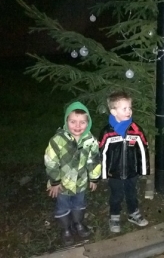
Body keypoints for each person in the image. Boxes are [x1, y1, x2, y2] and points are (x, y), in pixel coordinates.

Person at [44, 101, 101, 246]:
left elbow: (94, 160)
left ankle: (78, 223)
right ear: (66, 121)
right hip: (61, 185)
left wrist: (94, 178)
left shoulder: (90, 141)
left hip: (80, 183)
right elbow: (50, 161)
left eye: (82, 122)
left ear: (88, 123)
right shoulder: (57, 140)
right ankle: (66, 229)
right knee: (63, 206)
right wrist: (55, 182)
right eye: (73, 121)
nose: (77, 126)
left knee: (79, 204)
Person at [98, 91, 150, 233]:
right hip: (114, 173)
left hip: (131, 171)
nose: (129, 111)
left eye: (130, 108)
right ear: (113, 111)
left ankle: (133, 213)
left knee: (132, 193)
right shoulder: (107, 132)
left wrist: (143, 170)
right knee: (116, 195)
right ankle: (114, 216)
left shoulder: (136, 130)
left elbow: (143, 149)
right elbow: (102, 154)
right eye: (124, 108)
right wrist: (103, 174)